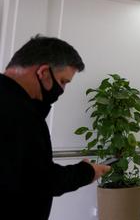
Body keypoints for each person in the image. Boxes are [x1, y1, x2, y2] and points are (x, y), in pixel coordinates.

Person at [0, 36, 111, 219]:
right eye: (63, 81)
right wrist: (87, 172)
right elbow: (39, 179)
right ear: (43, 72)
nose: (62, 90)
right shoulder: (20, 113)